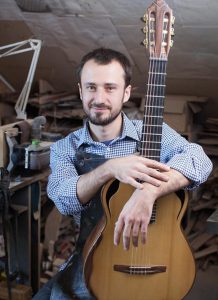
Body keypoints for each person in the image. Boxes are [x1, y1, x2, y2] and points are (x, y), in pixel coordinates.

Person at [33, 48, 212, 299]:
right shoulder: (66, 147)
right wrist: (109, 168)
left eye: (110, 87)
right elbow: (63, 198)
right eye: (91, 87)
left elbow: (200, 161)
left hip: (157, 259)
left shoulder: (152, 133)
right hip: (93, 258)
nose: (99, 97)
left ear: (126, 92)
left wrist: (149, 192)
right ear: (81, 91)